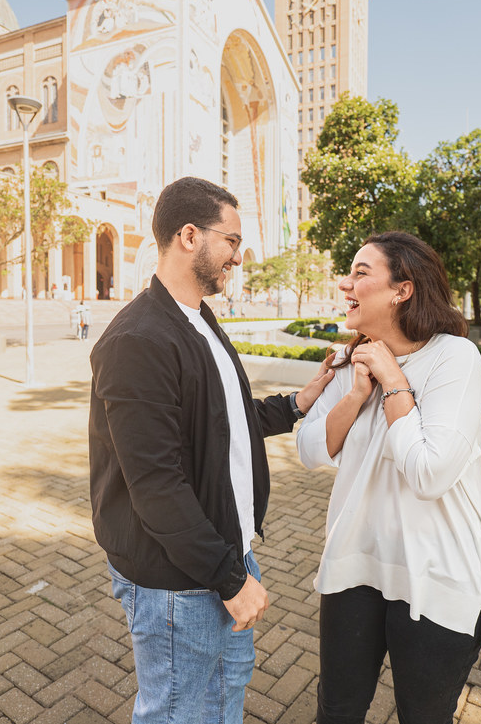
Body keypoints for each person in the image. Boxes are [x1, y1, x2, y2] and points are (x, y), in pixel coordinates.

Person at [89, 177, 335, 724]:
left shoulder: (198, 317)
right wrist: (228, 579)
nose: (240, 257)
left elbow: (223, 420)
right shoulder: (138, 340)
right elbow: (155, 484)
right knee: (177, 712)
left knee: (223, 699)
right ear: (189, 235)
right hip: (180, 576)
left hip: (224, 553)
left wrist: (299, 402)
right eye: (232, 241)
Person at [296, 231, 481, 724]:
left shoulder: (455, 358)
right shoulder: (349, 361)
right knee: (336, 712)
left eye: (361, 273)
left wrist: (393, 381)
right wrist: (355, 393)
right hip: (354, 567)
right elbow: (310, 450)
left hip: (437, 578)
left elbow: (429, 473)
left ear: (402, 290)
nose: (346, 283)